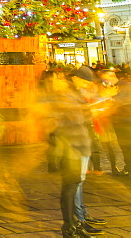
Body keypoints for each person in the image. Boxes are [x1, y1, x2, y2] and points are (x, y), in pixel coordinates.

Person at [52, 66, 107, 237]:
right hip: (71, 146)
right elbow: (73, 118)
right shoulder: (65, 94)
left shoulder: (74, 93)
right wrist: (92, 108)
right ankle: (69, 227)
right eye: (84, 81)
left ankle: (77, 222)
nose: (86, 85)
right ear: (75, 78)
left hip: (80, 144)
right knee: (69, 189)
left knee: (76, 185)